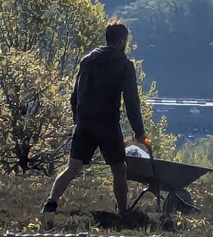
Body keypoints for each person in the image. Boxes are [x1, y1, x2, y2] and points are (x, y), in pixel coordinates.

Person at [44, 21, 149, 213]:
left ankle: (50, 203)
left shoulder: (88, 60)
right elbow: (132, 101)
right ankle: (123, 211)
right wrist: (139, 132)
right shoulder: (124, 65)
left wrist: (78, 119)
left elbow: (75, 94)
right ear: (123, 40)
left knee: (73, 167)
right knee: (119, 169)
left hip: (85, 122)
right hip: (108, 124)